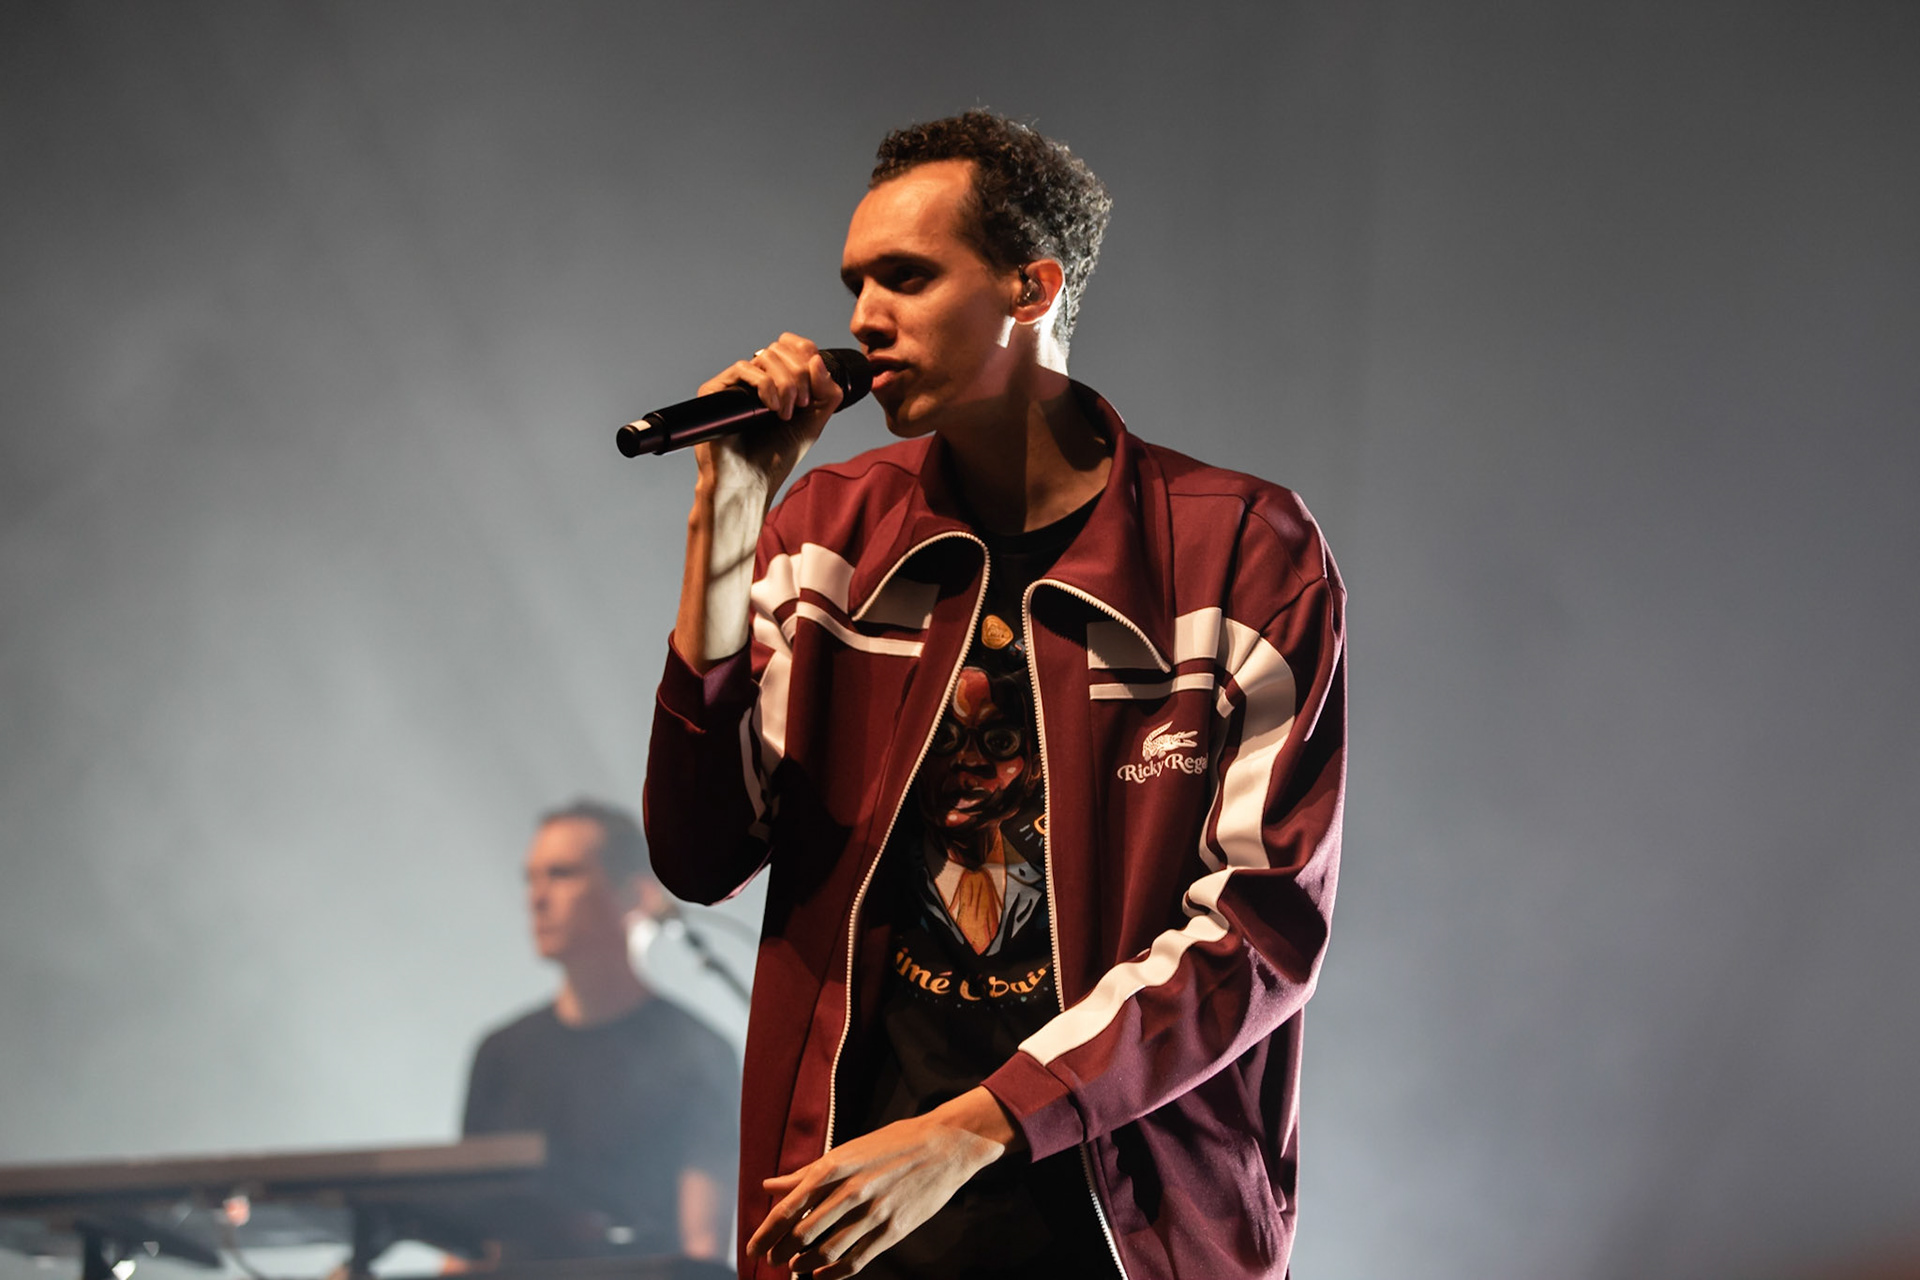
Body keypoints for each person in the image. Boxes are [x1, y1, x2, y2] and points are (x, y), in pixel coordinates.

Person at [644, 110, 1346, 1280]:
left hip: (1128, 1222)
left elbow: (1258, 930)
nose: (863, 316)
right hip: (853, 1222)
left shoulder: (1239, 551)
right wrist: (727, 515)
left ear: (1032, 287)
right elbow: (699, 848)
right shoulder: (827, 534)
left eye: (907, 277)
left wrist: (975, 1125)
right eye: (855, 282)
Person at [461, 799, 737, 1263]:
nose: (537, 897)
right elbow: (473, 1238)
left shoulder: (699, 1052)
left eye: (562, 874)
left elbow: (701, 1251)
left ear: (633, 894)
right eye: (531, 878)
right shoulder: (501, 1053)